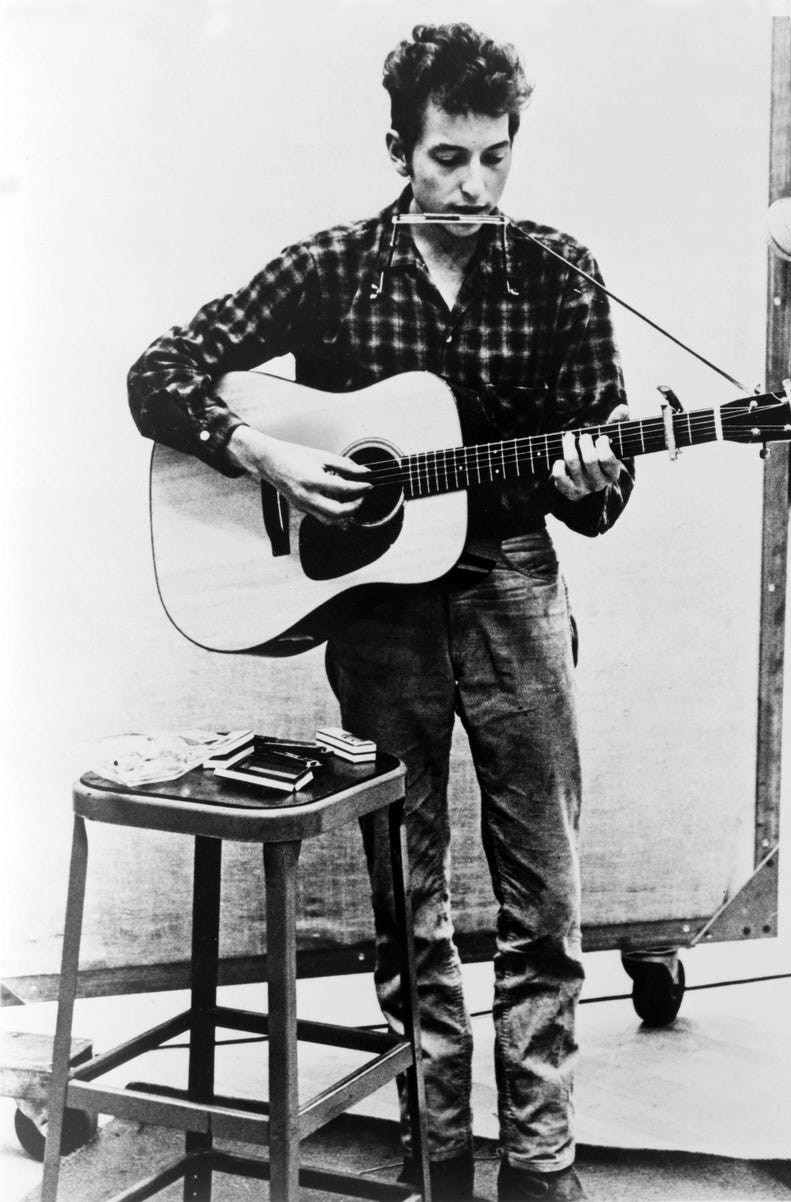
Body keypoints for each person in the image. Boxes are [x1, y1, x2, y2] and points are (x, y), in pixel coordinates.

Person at [128, 22, 633, 1202]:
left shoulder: (558, 269)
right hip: (382, 619)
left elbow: (602, 491)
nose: (470, 187)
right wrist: (264, 454)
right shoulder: (330, 267)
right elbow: (157, 372)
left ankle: (542, 1163)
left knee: (542, 900)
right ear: (399, 146)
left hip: (512, 588)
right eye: (446, 158)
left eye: (493, 159)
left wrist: (587, 473)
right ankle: (438, 1155)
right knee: (408, 904)